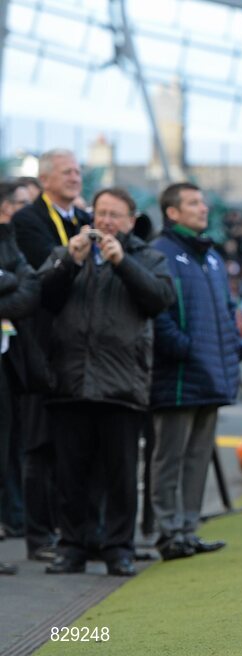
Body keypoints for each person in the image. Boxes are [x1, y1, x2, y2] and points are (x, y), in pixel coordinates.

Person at [39, 188, 173, 576]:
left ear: (131, 220)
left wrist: (123, 263)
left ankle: (118, 549)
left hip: (121, 384)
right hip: (71, 381)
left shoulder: (149, 257)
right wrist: (68, 262)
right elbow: (42, 295)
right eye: (100, 213)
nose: (106, 222)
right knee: (70, 474)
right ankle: (72, 547)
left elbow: (160, 299)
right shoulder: (72, 251)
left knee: (120, 475)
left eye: (115, 215)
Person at [149, 182, 239, 561]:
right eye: (193, 203)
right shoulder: (160, 252)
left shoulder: (211, 256)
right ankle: (169, 532)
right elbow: (157, 312)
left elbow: (227, 311)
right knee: (170, 455)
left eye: (203, 201)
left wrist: (232, 349)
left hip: (210, 372)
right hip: (180, 374)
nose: (203, 208)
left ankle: (188, 528)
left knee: (198, 455)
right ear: (172, 212)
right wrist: (181, 347)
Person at [11, 149, 92, 562]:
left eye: (78, 171)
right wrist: (72, 256)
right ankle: (39, 535)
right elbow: (44, 278)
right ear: (45, 179)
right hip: (42, 347)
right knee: (39, 444)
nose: (75, 177)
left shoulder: (84, 219)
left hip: (80, 348)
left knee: (73, 444)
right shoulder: (28, 221)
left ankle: (73, 531)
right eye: (67, 172)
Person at [0, 182, 41, 575]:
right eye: (22, 205)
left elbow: (30, 290)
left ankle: (12, 516)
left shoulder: (14, 240)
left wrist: (8, 280)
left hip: (12, 362)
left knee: (10, 447)